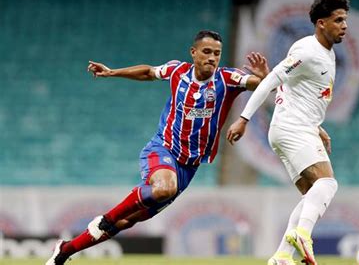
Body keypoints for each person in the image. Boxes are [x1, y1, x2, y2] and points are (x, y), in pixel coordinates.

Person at [45, 30, 269, 265]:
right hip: (162, 148)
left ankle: (65, 251)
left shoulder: (228, 79)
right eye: (206, 52)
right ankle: (104, 219)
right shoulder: (177, 71)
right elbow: (148, 72)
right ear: (193, 53)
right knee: (163, 189)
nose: (212, 58)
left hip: (188, 167)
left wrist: (264, 77)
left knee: (127, 221)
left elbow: (264, 86)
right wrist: (112, 72)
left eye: (217, 53)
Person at [226, 0, 349, 264]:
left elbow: (293, 89)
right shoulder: (307, 51)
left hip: (297, 127)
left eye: (345, 20)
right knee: (327, 184)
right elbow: (272, 80)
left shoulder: (326, 53)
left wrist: (317, 127)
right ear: (321, 23)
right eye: (338, 20)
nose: (344, 26)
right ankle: (303, 234)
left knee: (310, 197)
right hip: (292, 128)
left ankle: (282, 256)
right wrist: (244, 118)